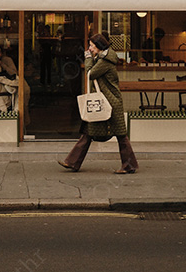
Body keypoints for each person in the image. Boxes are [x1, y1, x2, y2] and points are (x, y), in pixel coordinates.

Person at [58, 32, 138, 174]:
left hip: (111, 102)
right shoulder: (103, 57)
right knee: (89, 131)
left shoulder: (106, 61)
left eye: (92, 46)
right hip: (105, 101)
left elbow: (90, 74)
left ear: (99, 47)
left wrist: (88, 59)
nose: (90, 49)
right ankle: (72, 162)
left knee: (121, 135)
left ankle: (129, 165)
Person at [0, 43, 31, 126]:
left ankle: (23, 127)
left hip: (20, 85)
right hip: (8, 88)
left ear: (2, 53)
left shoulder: (6, 60)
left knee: (23, 106)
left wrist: (2, 64)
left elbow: (14, 73)